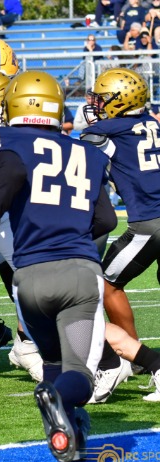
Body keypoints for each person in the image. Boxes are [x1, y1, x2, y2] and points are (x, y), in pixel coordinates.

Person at [0, 70, 117, 462]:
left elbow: (13, 172)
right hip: (78, 276)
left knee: (52, 360)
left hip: (29, 279)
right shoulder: (89, 153)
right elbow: (107, 220)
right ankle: (57, 397)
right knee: (79, 374)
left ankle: (64, 432)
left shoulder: (2, 138)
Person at [80, 68, 160, 402]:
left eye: (102, 98)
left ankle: (135, 356)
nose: (97, 104)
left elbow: (82, 162)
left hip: (150, 223)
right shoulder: (151, 122)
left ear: (119, 100)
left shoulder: (104, 130)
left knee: (105, 284)